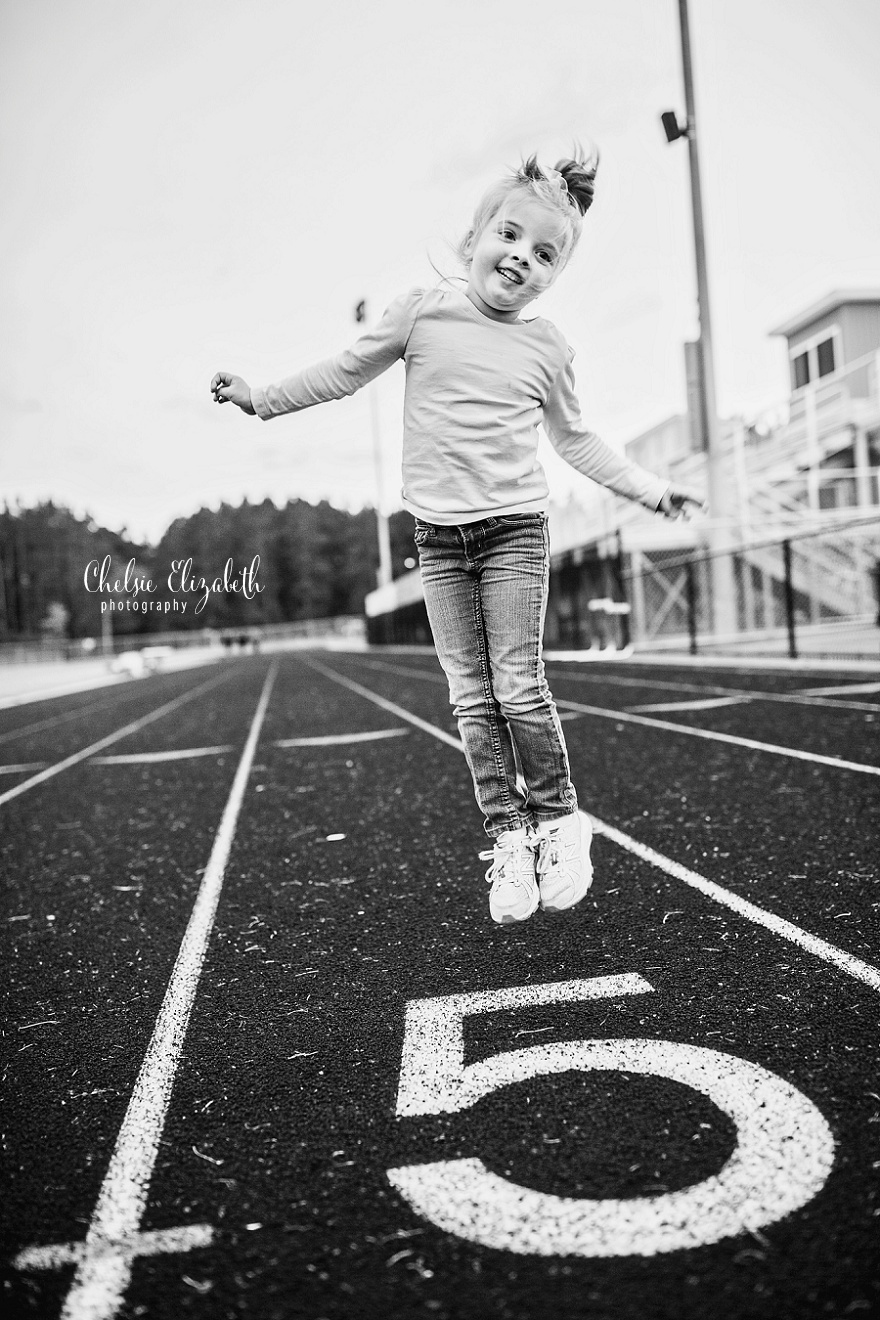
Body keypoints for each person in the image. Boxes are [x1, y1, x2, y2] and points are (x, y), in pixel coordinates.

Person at [210, 149, 702, 925]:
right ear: (477, 234)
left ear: (556, 274)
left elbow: (576, 442)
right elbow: (343, 371)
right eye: (510, 236)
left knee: (517, 686)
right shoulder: (422, 312)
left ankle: (557, 822)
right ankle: (507, 838)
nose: (522, 258)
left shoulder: (548, 349)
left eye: (545, 255)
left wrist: (650, 489)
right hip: (439, 541)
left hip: (513, 534)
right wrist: (261, 398)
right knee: (472, 700)